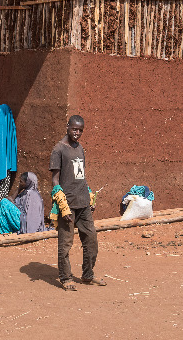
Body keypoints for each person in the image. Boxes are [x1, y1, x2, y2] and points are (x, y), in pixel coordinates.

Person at [50, 115, 104, 291]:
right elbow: (55, 180)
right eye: (74, 129)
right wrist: (62, 204)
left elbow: (81, 176)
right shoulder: (58, 149)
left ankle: (88, 275)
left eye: (80, 130)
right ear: (67, 126)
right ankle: (66, 278)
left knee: (91, 240)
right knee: (65, 244)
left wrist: (89, 194)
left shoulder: (80, 148)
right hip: (67, 205)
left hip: (83, 203)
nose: (77, 133)